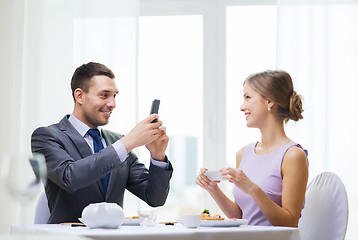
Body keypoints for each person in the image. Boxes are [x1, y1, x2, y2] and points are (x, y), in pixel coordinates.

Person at [31, 62, 173, 224]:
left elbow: (154, 198)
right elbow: (69, 177)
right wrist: (128, 142)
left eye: (114, 96)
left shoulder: (117, 142)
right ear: (80, 96)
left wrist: (158, 156)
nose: (113, 104)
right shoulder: (47, 136)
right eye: (104, 95)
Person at [196, 70, 308, 227]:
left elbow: (289, 223)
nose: (242, 107)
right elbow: (240, 216)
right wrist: (212, 188)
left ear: (269, 101)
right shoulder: (243, 154)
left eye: (248, 97)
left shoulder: (293, 156)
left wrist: (251, 188)